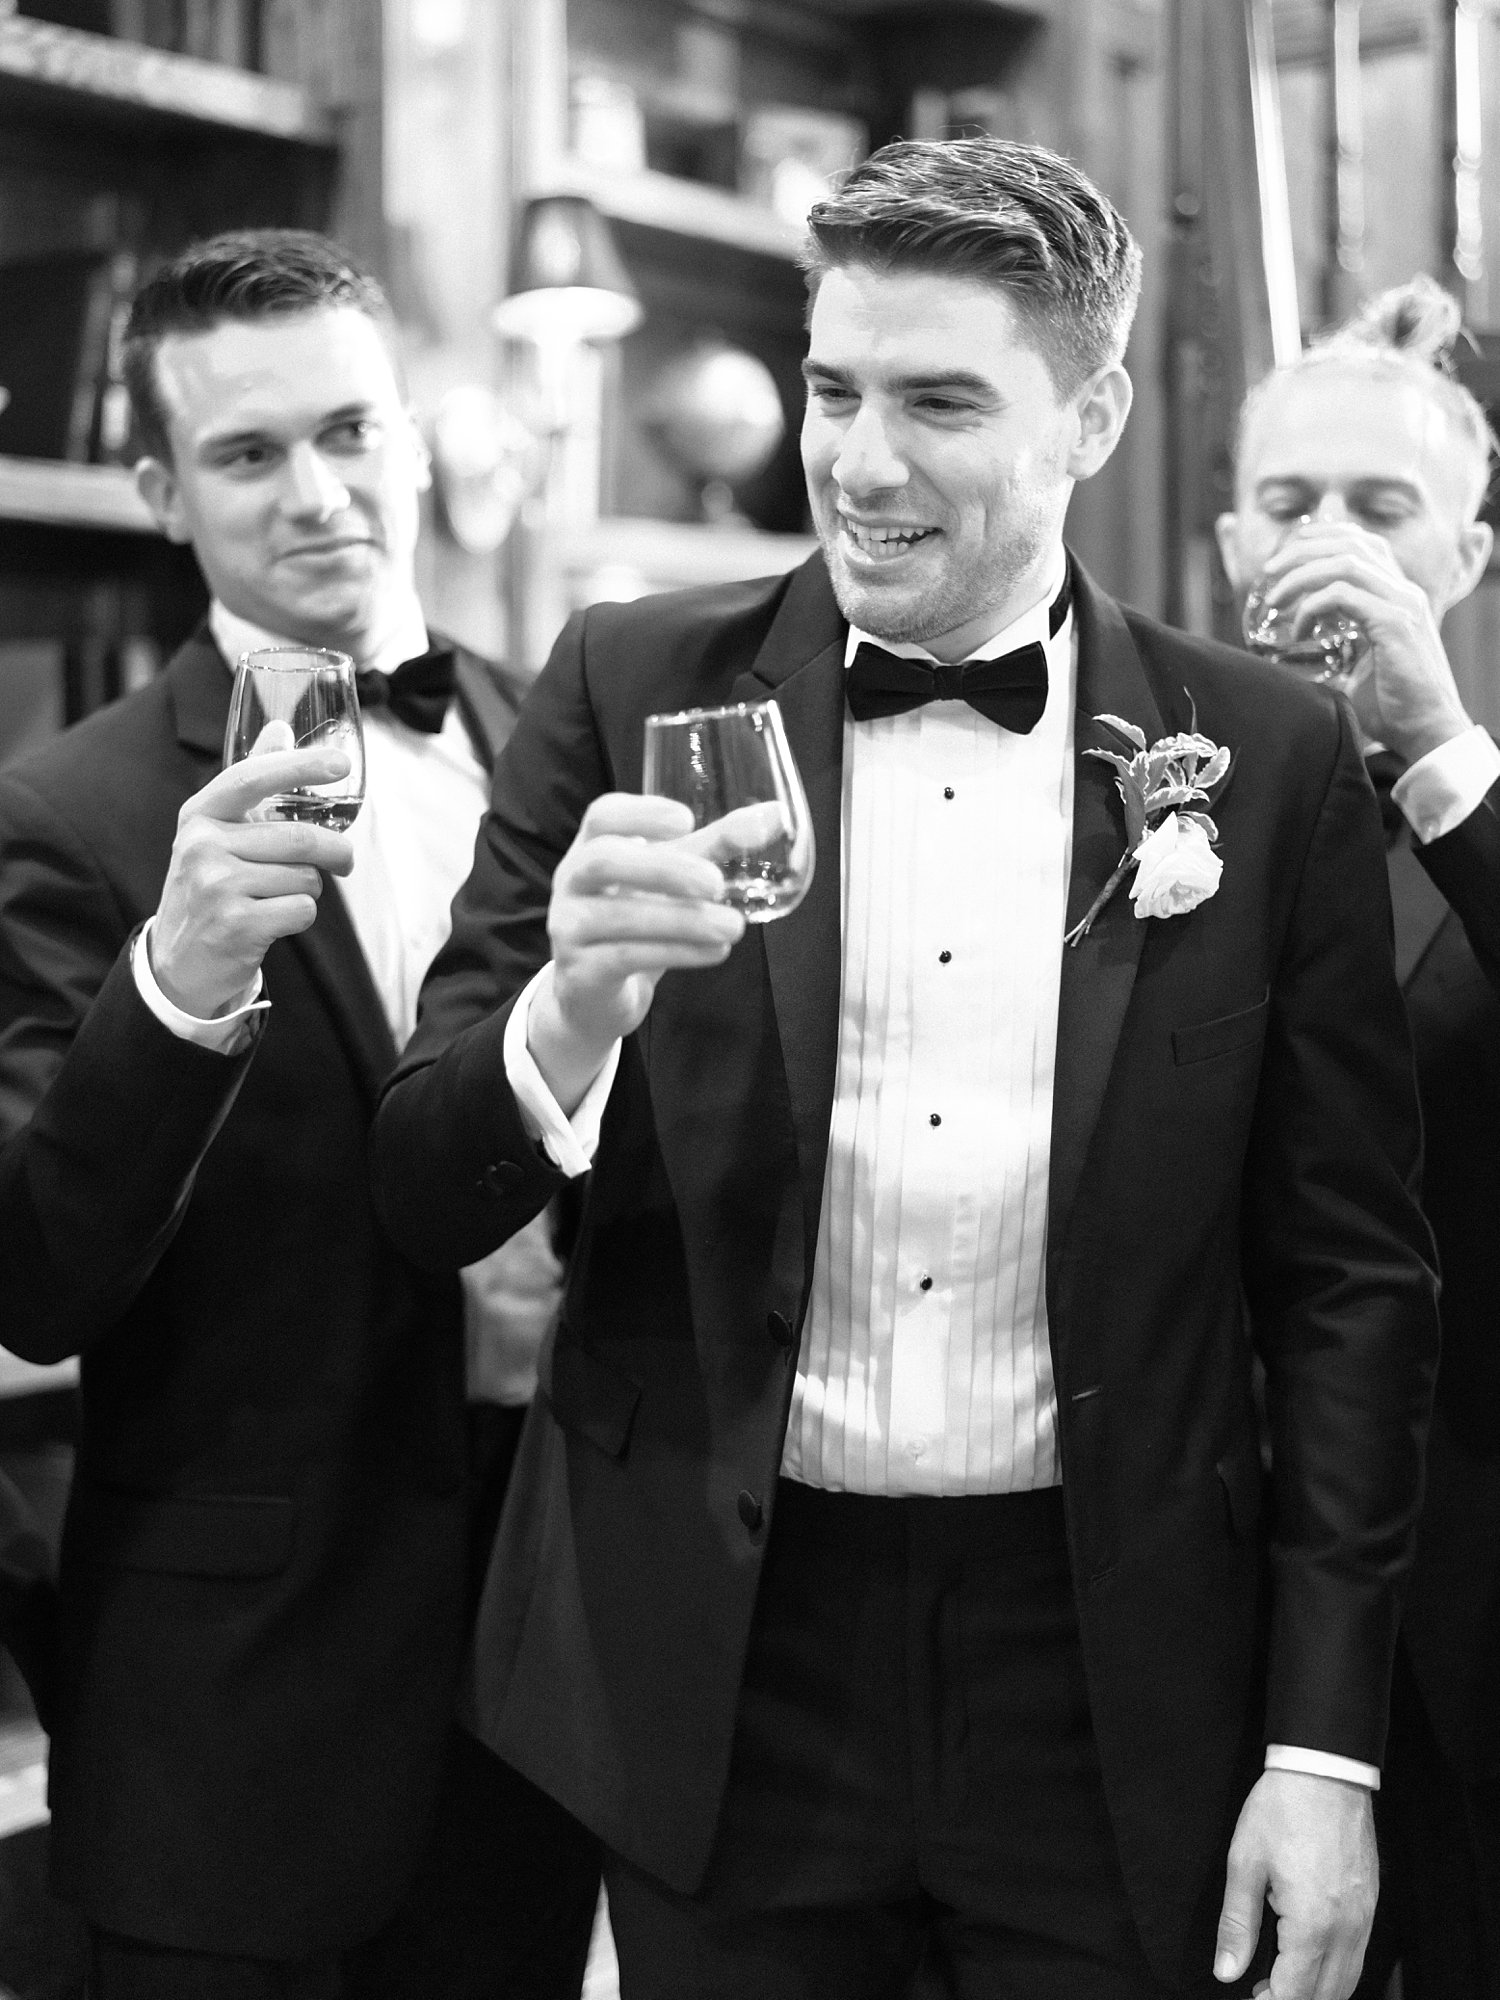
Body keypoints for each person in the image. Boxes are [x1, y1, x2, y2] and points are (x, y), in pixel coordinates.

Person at [372, 140, 1439, 2000]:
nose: (861, 461)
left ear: (1090, 413)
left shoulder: (1258, 761)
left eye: (940, 399)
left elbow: (1350, 1282)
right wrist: (569, 1015)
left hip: (1110, 1667)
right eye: (834, 389)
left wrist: (1320, 1749)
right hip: (713, 1656)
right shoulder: (629, 683)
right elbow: (421, 1181)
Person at [0, 230, 597, 1998]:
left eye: (352, 431)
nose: (320, 492)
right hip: (235, 1713)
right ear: (158, 490)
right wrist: (177, 979)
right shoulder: (66, 813)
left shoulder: (559, 731)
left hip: (549, 1659)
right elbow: (38, 1278)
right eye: (250, 454)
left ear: (415, 436)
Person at [1218, 276, 1500, 2000]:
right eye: (1289, 501)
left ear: (1468, 555)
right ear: (1222, 532)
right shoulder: (1117, 788)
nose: (1327, 540)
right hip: (1184, 1569)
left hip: (1467, 1579)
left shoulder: (1484, 810)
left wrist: (1436, 749)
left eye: (1382, 509)